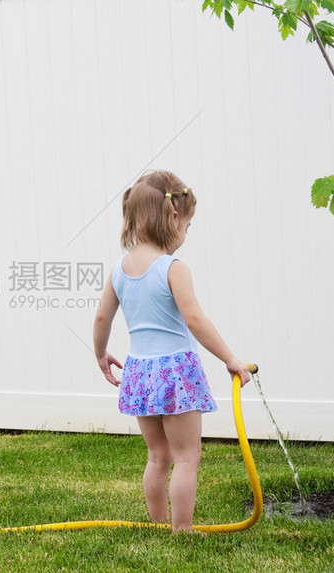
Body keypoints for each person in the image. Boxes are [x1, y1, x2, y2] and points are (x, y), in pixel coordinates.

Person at [92, 170, 251, 532]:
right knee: (186, 457)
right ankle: (182, 531)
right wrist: (230, 357)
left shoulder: (120, 268)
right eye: (188, 225)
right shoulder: (173, 269)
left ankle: (158, 523)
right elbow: (194, 320)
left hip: (140, 372)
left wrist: (101, 354)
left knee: (157, 456)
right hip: (174, 373)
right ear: (174, 217)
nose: (187, 234)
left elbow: (103, 315)